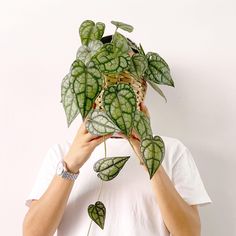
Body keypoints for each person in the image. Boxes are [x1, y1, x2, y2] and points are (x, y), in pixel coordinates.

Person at [23, 103, 211, 236]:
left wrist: (150, 158)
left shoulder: (170, 150)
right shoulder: (63, 153)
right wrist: (70, 166)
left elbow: (189, 233)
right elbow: (33, 233)